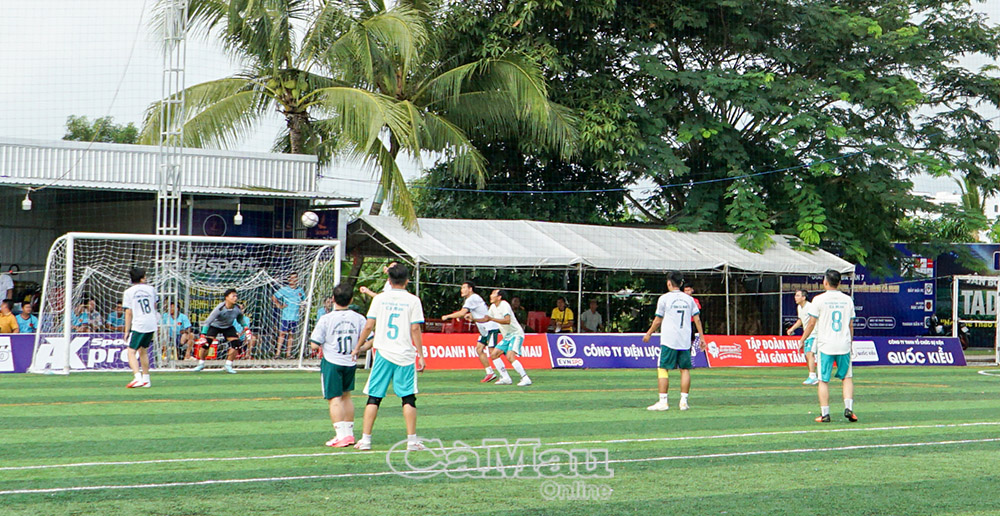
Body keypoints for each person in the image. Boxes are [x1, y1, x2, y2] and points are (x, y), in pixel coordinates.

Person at [352, 263, 427, 451]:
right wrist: (421, 355)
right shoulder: (413, 300)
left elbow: (369, 326)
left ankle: (366, 440)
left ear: (389, 280)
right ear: (407, 280)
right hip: (405, 355)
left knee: (374, 397)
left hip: (383, 353)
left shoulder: (379, 299)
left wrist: (358, 347)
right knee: (408, 398)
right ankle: (411, 441)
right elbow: (415, 328)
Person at [310, 284, 368, 447]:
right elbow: (370, 340)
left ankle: (341, 435)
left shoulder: (326, 319)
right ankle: (349, 434)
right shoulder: (359, 318)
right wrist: (359, 349)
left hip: (332, 361)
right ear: (351, 299)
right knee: (347, 396)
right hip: (350, 361)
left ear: (333, 299)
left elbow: (314, 344)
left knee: (334, 398)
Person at [800, 269, 858, 423]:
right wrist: (850, 343)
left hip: (825, 345)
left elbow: (811, 323)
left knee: (823, 380)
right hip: (843, 344)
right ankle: (849, 408)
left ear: (825, 282)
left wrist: (802, 339)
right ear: (839, 283)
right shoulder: (848, 300)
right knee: (847, 377)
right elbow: (850, 325)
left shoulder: (818, 300)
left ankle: (825, 414)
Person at [642, 272, 705, 411]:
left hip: (669, 339)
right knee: (685, 369)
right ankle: (684, 402)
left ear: (669, 283)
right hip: (685, 339)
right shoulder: (689, 300)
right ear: (681, 283)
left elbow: (658, 320)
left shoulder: (664, 298)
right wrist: (701, 337)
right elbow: (697, 319)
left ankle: (663, 401)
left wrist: (649, 333)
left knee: (663, 367)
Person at [441, 281, 504, 383]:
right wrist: (468, 315)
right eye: (461, 288)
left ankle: (504, 375)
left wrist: (448, 316)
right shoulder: (473, 299)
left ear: (470, 289)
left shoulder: (472, 298)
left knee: (493, 353)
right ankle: (490, 373)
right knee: (479, 349)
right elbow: (477, 312)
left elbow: (462, 312)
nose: (462, 290)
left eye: (464, 288)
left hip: (490, 327)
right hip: (484, 330)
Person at [475, 289, 532, 386]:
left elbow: (507, 321)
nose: (491, 295)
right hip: (507, 336)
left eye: (493, 293)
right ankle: (505, 378)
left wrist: (492, 319)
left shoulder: (504, 305)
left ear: (499, 297)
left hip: (516, 334)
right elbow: (486, 318)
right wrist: (473, 318)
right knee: (494, 354)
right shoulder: (493, 307)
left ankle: (525, 378)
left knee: (510, 356)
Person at [194, 288, 251, 374]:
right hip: (215, 326)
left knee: (236, 344)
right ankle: (201, 364)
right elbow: (208, 321)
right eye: (233, 296)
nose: (235, 298)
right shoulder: (220, 308)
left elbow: (240, 318)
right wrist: (203, 335)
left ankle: (228, 365)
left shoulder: (237, 308)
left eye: (236, 296)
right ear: (226, 297)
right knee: (206, 344)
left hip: (228, 326)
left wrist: (246, 328)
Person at [122, 267, 157, 388]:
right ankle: (146, 379)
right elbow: (154, 305)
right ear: (142, 278)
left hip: (139, 324)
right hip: (151, 322)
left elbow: (128, 312)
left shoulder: (128, 292)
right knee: (143, 350)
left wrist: (127, 331)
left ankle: (137, 377)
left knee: (131, 351)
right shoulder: (151, 289)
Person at [786, 290, 819, 385]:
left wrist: (802, 339)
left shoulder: (811, 307)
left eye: (798, 295)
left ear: (804, 297)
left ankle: (813, 376)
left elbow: (813, 321)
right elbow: (801, 320)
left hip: (814, 334)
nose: (795, 297)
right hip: (807, 334)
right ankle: (812, 375)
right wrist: (792, 329)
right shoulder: (799, 307)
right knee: (806, 355)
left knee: (809, 354)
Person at [272, 273, 305, 358]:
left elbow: (304, 301)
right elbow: (274, 297)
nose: (294, 280)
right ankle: (277, 353)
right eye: (292, 278)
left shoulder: (300, 290)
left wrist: (302, 307)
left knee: (291, 334)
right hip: (286, 316)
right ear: (289, 280)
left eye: (295, 278)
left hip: (295, 316)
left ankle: (288, 354)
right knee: (282, 333)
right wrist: (279, 305)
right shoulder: (284, 289)